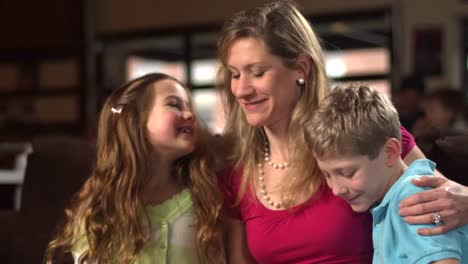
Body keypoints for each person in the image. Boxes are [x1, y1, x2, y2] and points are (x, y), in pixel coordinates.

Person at [216, 1, 468, 263]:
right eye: (234, 75)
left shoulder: (363, 132)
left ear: (301, 68)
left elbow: (443, 209)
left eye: (257, 72)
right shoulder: (235, 170)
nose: (241, 90)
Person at [45, 73, 224, 263]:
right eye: (174, 104)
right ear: (135, 120)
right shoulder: (97, 211)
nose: (190, 114)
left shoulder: (205, 199)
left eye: (189, 106)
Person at [308, 84, 468, 264]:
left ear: (390, 152)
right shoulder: (393, 199)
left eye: (348, 173)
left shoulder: (411, 198)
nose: (336, 190)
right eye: (327, 175)